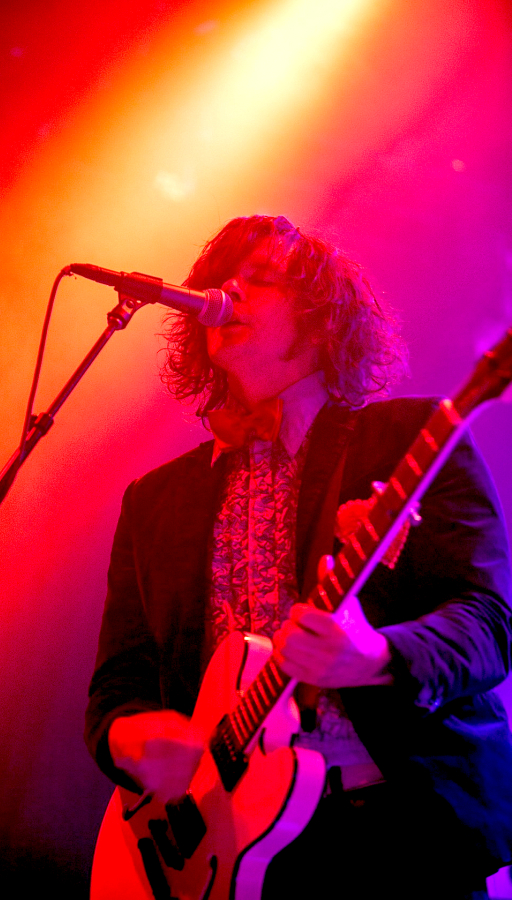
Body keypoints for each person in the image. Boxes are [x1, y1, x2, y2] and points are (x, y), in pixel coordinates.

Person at [85, 215, 512, 899]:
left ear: (322, 321)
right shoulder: (154, 500)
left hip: (395, 833)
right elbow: (119, 682)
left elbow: (488, 623)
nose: (229, 290)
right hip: (218, 847)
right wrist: (130, 738)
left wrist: (376, 656)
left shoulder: (408, 440)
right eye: (222, 278)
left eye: (261, 279)